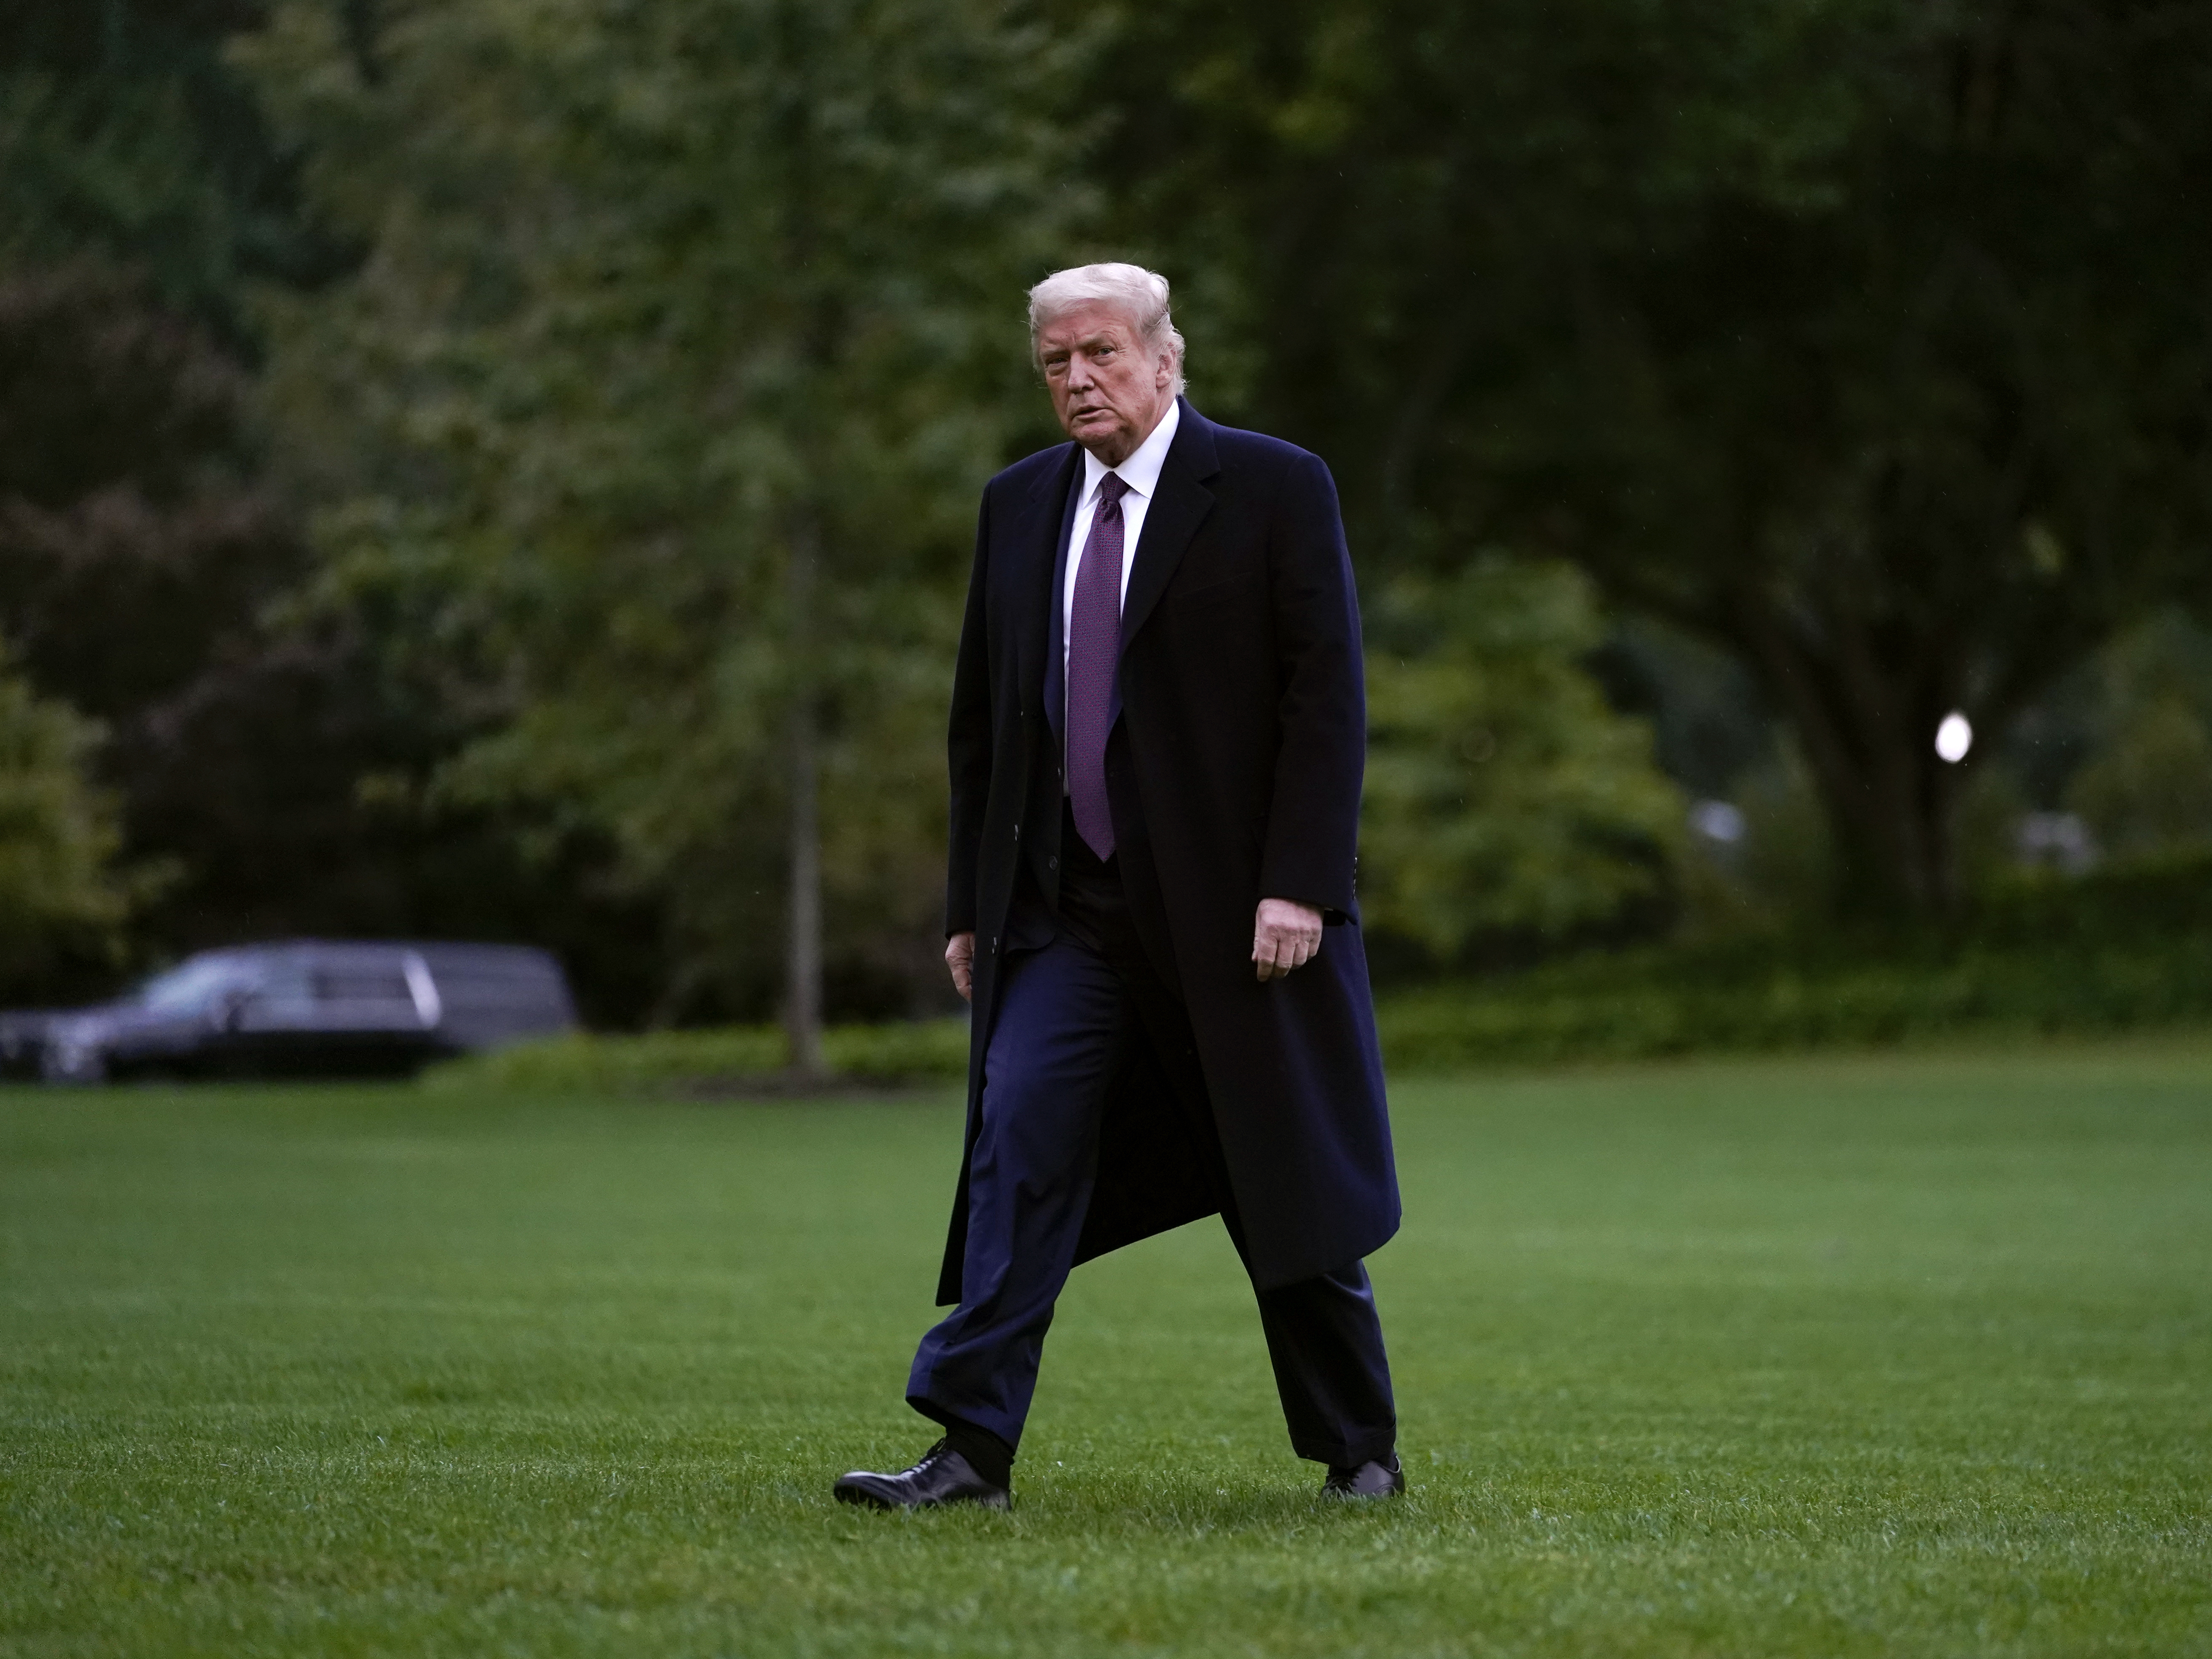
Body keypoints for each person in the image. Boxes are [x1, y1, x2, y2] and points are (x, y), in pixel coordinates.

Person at [834, 262, 1402, 1512]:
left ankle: (1359, 1450)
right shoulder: (1018, 505)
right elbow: (983, 722)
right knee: (1017, 1148)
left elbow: (1326, 698)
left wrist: (1300, 885)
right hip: (1063, 915)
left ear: (1165, 357)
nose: (1078, 380)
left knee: (1280, 1180)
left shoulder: (1274, 487)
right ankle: (971, 1452)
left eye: (1100, 353)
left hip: (1234, 918)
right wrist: (973, 904)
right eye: (1056, 362)